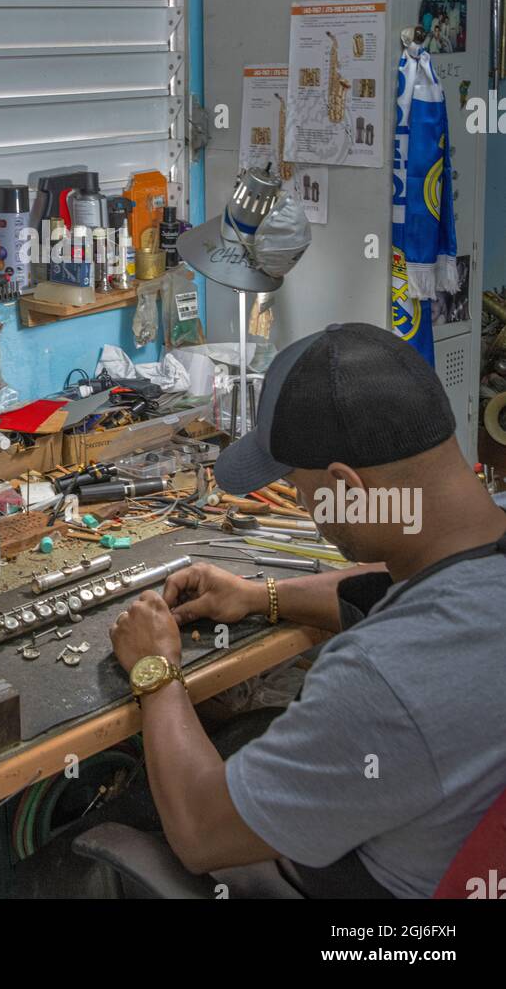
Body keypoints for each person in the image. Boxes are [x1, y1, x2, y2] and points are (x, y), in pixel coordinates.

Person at [110, 323, 506, 898]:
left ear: (346, 486)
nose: (302, 505)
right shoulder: (483, 537)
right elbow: (409, 586)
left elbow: (198, 831)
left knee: (130, 818)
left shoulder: (381, 675)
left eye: (298, 488)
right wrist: (259, 595)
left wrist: (156, 671)